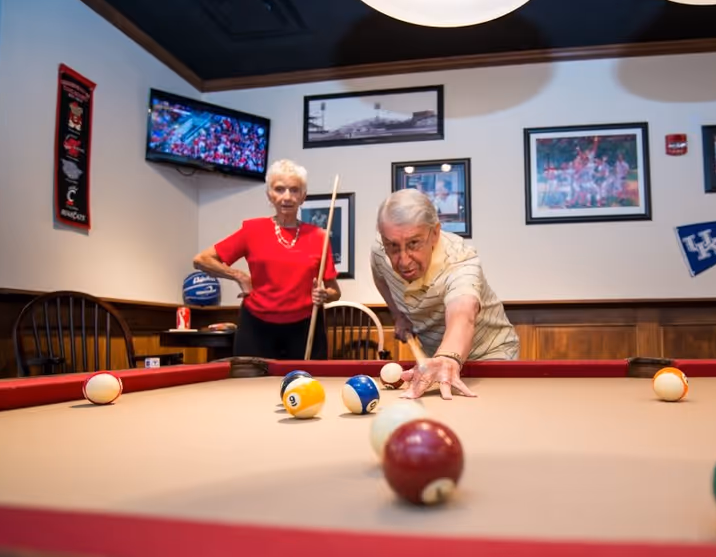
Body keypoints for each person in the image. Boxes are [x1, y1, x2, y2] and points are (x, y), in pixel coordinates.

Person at [371, 188, 520, 400]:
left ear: (435, 233)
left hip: (491, 356)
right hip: (438, 361)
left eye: (414, 243)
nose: (403, 260)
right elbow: (380, 275)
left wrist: (447, 357)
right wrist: (398, 316)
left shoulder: (460, 260)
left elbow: (463, 312)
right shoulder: (379, 250)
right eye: (393, 246)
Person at [192, 159, 341, 360]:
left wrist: (324, 294)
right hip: (256, 327)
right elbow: (202, 259)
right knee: (250, 388)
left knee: (305, 385)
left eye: (294, 190)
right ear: (269, 195)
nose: (287, 197)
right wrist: (239, 276)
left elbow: (335, 291)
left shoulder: (319, 237)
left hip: (305, 327)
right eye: (280, 189)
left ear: (303, 196)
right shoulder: (252, 230)